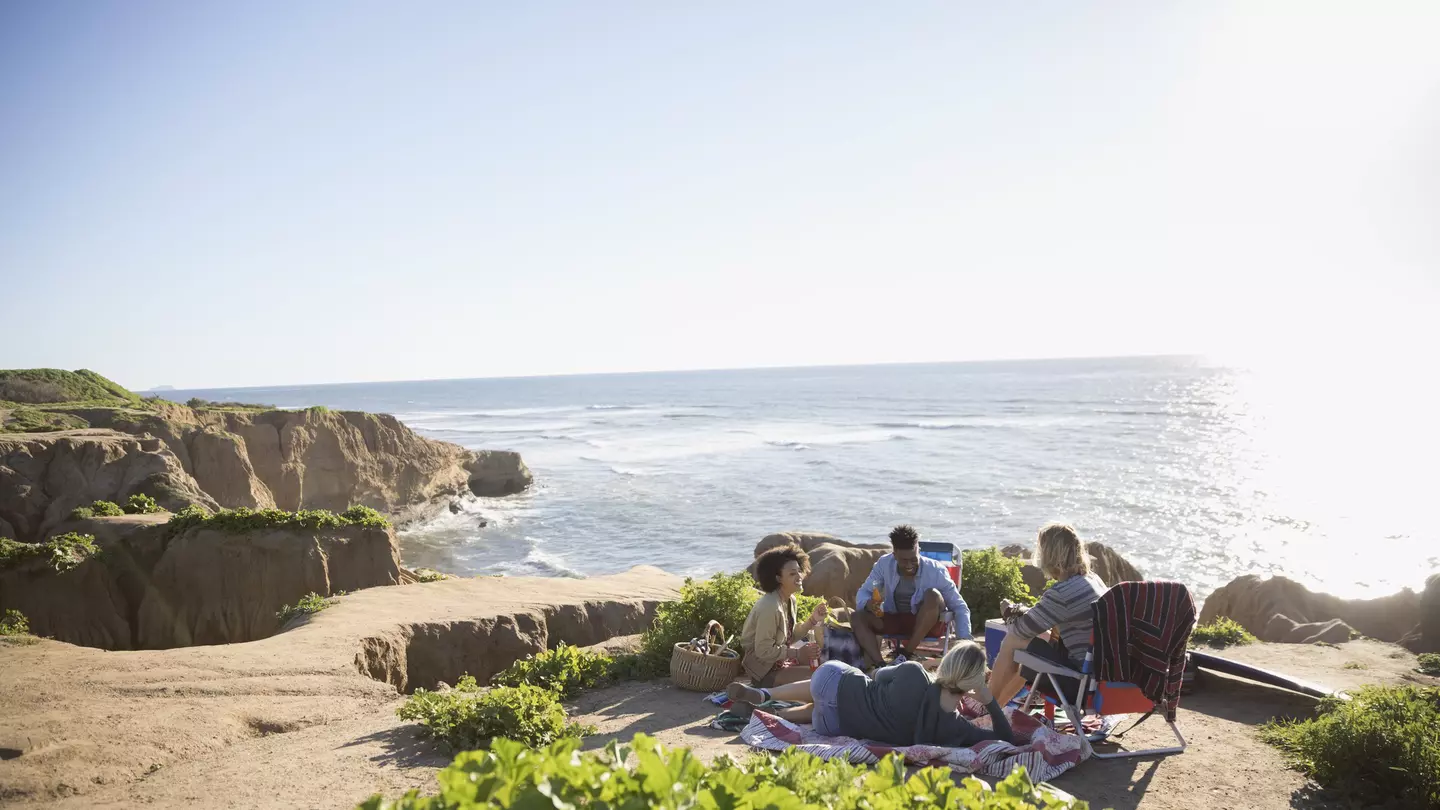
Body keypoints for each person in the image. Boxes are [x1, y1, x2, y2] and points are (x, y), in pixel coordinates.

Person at [726, 640, 1013, 747]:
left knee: (844, 682)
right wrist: (988, 700)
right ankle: (774, 714)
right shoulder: (954, 728)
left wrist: (919, 668)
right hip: (832, 726)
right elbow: (1006, 738)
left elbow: (876, 675)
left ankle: (766, 694)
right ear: (973, 682)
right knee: (823, 710)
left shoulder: (913, 673)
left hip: (830, 684)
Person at [988, 522, 1108, 707]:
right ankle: (996, 709)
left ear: (1049, 556)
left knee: (1014, 640)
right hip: (1105, 681)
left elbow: (1020, 631)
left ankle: (987, 705)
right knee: (1041, 638)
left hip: (1081, 686)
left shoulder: (1062, 592)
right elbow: (1045, 619)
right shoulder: (1092, 580)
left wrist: (1009, 612)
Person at [851, 525, 972, 669]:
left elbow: (959, 606)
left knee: (932, 595)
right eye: (903, 560)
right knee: (857, 616)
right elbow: (864, 592)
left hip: (927, 624)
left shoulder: (935, 570)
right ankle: (880, 665)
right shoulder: (884, 564)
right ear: (894, 554)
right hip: (895, 619)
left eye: (913, 559)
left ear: (918, 550)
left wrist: (964, 642)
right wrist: (868, 603)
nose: (909, 565)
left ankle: (905, 655)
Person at [740, 544, 828, 687]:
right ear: (778, 578)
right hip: (764, 673)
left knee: (827, 667)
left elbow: (789, 638)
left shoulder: (789, 600)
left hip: (780, 663)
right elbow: (763, 651)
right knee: (822, 677)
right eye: (792, 573)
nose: (799, 576)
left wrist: (813, 620)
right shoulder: (770, 607)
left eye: (799, 571)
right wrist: (797, 654)